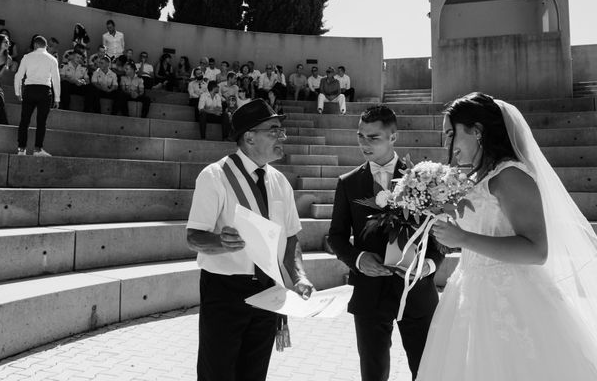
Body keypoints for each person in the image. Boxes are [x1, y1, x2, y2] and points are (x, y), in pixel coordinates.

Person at [416, 92, 597, 380]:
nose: (447, 143)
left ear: (477, 132)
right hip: (468, 293)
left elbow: (536, 251)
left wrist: (463, 239)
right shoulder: (478, 178)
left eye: (451, 134)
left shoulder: (511, 176)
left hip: (510, 300)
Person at [186, 99, 314, 381]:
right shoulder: (214, 176)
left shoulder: (280, 181)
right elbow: (193, 237)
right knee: (217, 373)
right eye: (274, 130)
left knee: (254, 374)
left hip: (268, 289)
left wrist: (299, 275)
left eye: (281, 130)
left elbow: (291, 237)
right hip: (225, 291)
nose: (283, 137)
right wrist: (222, 243)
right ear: (249, 137)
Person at [328, 104, 443, 381]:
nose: (364, 143)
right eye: (360, 136)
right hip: (369, 294)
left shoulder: (424, 179)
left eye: (373, 137)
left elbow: (440, 237)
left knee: (426, 371)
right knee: (373, 373)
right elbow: (336, 236)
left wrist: (426, 267)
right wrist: (357, 259)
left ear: (393, 137)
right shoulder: (348, 183)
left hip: (415, 292)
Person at [14, 36, 60, 157]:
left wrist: (18, 92)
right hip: (45, 91)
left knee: (24, 120)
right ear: (46, 46)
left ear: (35, 45)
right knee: (41, 122)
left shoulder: (27, 57)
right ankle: (38, 149)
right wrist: (57, 98)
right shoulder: (52, 59)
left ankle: (21, 149)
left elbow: (18, 76)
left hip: (29, 90)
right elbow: (56, 79)